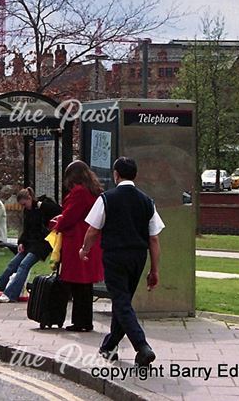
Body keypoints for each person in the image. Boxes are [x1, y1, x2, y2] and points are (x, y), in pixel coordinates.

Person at [79, 156, 164, 368]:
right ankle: (109, 346)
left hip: (115, 256)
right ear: (135, 175)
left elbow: (93, 229)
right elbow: (153, 238)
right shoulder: (147, 201)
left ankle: (142, 346)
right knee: (122, 301)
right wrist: (154, 270)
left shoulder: (107, 198)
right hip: (138, 257)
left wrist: (84, 249)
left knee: (121, 301)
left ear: (116, 174)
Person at [51, 161, 104, 331]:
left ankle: (81, 321)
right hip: (90, 241)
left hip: (77, 241)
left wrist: (57, 224)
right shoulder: (93, 191)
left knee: (78, 283)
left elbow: (69, 217)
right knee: (85, 285)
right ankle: (84, 321)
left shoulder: (79, 192)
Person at [0, 187, 54, 302]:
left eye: (24, 204)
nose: (24, 207)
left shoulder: (43, 206)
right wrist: (21, 242)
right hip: (30, 243)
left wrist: (41, 205)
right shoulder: (27, 211)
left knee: (24, 265)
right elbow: (26, 229)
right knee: (12, 264)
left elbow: (57, 210)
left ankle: (11, 294)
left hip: (42, 244)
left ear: (29, 198)